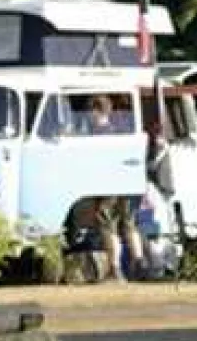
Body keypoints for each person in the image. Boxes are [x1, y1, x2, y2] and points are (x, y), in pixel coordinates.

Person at [76, 94, 147, 281]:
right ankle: (139, 262)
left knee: (108, 226)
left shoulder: (98, 134)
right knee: (129, 224)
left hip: (108, 185)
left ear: (96, 111)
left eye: (90, 112)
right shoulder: (120, 131)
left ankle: (115, 269)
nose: (88, 116)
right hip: (129, 184)